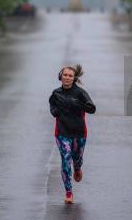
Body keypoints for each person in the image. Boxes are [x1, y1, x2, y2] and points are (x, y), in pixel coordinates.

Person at [49, 64, 96, 204]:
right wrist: (54, 111)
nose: (67, 78)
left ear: (74, 78)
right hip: (62, 132)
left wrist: (77, 104)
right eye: (65, 75)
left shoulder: (80, 93)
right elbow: (52, 106)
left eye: (70, 76)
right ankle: (68, 193)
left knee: (77, 158)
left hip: (79, 132)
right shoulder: (56, 93)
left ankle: (77, 167)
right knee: (65, 159)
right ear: (60, 76)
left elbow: (92, 108)